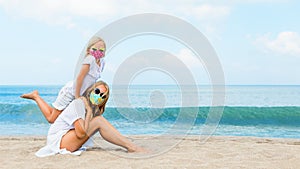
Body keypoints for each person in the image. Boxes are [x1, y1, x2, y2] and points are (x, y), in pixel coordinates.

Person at [35, 81, 145, 157]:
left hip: (66, 139)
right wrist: (88, 114)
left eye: (103, 96)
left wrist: (89, 111)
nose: (99, 96)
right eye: (97, 92)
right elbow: (80, 133)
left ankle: (129, 144)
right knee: (98, 121)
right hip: (58, 142)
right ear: (90, 90)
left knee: (99, 120)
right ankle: (131, 147)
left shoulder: (89, 108)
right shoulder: (79, 104)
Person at [21, 36, 106, 123]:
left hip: (81, 95)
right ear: (88, 50)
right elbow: (79, 78)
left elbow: (92, 82)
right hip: (71, 92)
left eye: (101, 50)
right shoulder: (89, 60)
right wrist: (77, 97)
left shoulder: (102, 63)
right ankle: (36, 96)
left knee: (61, 118)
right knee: (52, 119)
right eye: (95, 49)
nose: (98, 52)